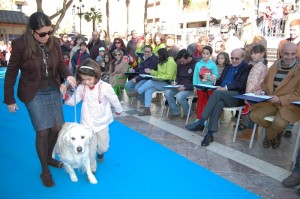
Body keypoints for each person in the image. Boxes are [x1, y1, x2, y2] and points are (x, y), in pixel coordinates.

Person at [3, 12, 76, 187]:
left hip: (53, 88)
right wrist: (9, 99)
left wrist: (68, 76)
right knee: (43, 130)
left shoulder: (55, 42)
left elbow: (60, 64)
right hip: (33, 91)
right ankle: (45, 169)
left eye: (49, 32)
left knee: (57, 128)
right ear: (32, 31)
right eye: (42, 34)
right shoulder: (20, 45)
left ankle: (49, 157)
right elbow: (11, 72)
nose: (47, 37)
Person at [60, 58, 123, 174]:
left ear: (97, 75)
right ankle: (91, 169)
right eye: (83, 80)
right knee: (90, 150)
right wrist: (65, 95)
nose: (86, 82)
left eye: (89, 79)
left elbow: (114, 100)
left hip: (102, 123)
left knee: (104, 147)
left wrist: (119, 110)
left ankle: (101, 153)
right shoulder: (81, 88)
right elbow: (73, 102)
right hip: (87, 125)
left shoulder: (106, 87)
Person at [185, 48, 251, 147]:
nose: (233, 60)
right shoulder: (228, 67)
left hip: (236, 96)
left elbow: (241, 84)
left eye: (236, 58)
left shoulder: (246, 67)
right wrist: (213, 80)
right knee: (218, 103)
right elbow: (220, 82)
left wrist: (225, 88)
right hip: (223, 94)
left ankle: (201, 122)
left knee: (217, 93)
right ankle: (210, 134)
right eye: (232, 58)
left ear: (242, 58)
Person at [249, 42, 300, 149]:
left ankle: (270, 135)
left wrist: (281, 99)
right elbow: (265, 83)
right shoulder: (275, 65)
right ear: (281, 53)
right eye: (286, 54)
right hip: (271, 102)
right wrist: (262, 91)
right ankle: (276, 133)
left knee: (279, 124)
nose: (289, 57)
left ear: (296, 53)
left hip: (290, 106)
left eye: (293, 54)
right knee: (253, 116)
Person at [236, 44, 269, 140]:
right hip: (256, 93)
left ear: (262, 54)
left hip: (253, 94)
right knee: (251, 112)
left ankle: (251, 133)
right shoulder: (260, 65)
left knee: (251, 113)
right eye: (252, 53)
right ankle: (251, 132)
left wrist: (248, 95)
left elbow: (253, 82)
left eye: (255, 53)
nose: (252, 55)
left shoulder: (259, 66)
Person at [135, 48, 177, 116]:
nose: (157, 56)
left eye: (159, 55)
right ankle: (147, 110)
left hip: (168, 83)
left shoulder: (171, 62)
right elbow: (159, 73)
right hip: (160, 82)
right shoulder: (161, 62)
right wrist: (151, 71)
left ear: (162, 55)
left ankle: (137, 92)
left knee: (151, 82)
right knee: (148, 90)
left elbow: (169, 76)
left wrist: (158, 78)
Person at [164, 49, 197, 118]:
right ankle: (176, 112)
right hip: (180, 86)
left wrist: (185, 87)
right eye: (180, 61)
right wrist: (175, 81)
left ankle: (188, 112)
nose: (181, 63)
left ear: (188, 58)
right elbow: (178, 76)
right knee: (167, 92)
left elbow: (196, 82)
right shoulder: (180, 64)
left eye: (183, 61)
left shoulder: (196, 65)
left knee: (179, 96)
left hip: (190, 88)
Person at [193, 46, 219, 122]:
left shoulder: (213, 64)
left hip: (209, 88)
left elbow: (216, 75)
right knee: (200, 103)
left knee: (207, 104)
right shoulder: (198, 64)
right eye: (203, 53)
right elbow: (195, 76)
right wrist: (195, 86)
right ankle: (198, 118)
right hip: (200, 88)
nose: (204, 55)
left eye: (207, 54)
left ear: (210, 55)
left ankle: (206, 119)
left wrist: (211, 77)